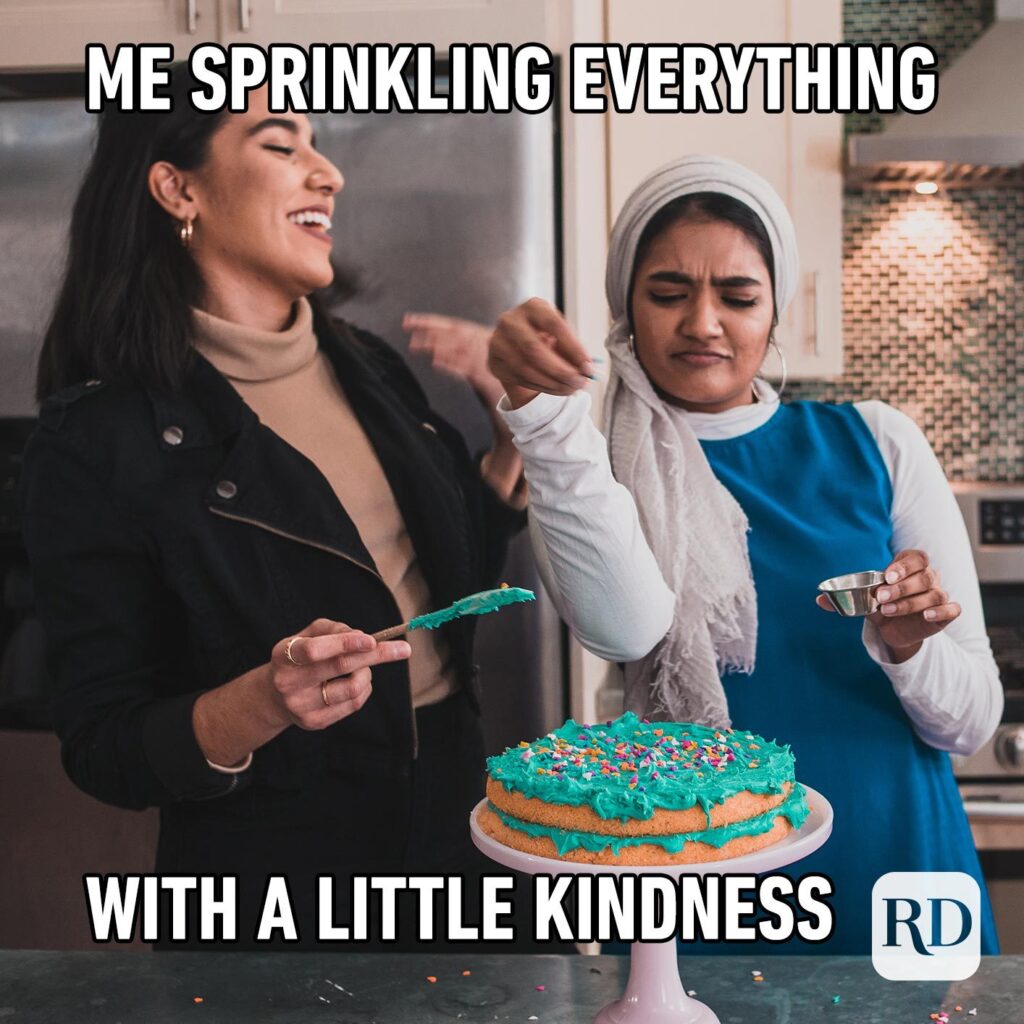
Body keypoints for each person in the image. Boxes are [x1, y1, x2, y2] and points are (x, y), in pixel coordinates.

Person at [19, 65, 529, 950]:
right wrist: (261, 702)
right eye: (279, 144)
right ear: (178, 187)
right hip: (274, 884)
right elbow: (103, 743)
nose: (326, 172)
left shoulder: (369, 366)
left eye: (319, 147)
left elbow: (442, 587)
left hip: (465, 836)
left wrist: (509, 433)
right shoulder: (95, 440)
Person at [486, 154, 1003, 955]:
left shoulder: (876, 441)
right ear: (625, 309)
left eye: (738, 296)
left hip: (896, 872)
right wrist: (545, 419)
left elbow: (970, 723)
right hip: (700, 905)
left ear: (776, 312)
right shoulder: (592, 471)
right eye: (667, 293)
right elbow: (626, 631)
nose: (702, 323)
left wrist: (907, 649)